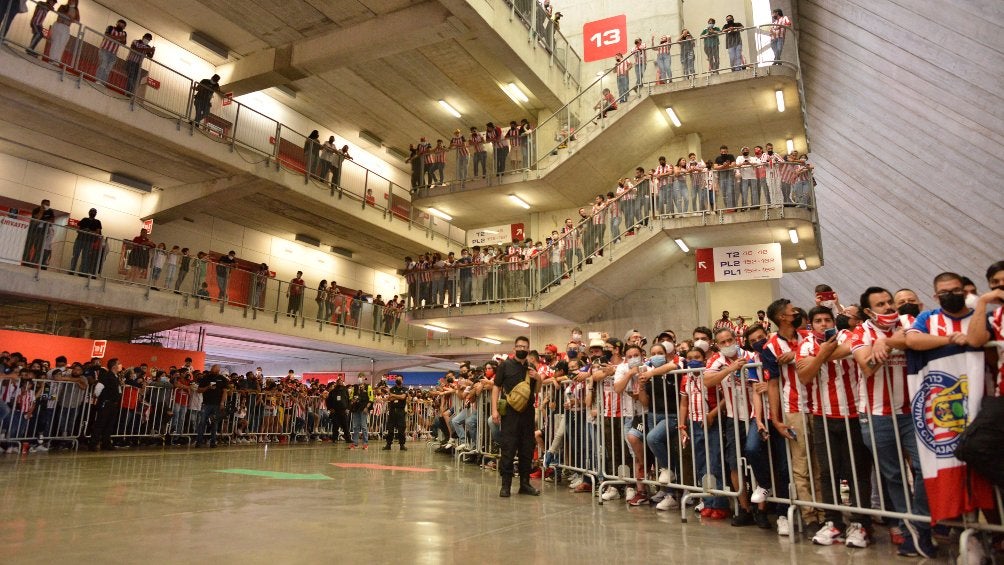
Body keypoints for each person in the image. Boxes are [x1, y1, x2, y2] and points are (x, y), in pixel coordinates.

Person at [492, 336, 542, 497]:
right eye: (519, 346)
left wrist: (538, 378)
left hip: (527, 413)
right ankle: (505, 485)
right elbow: (496, 388)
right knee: (508, 448)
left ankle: (525, 484)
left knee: (526, 449)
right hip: (510, 413)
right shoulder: (505, 366)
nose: (522, 349)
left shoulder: (531, 367)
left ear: (528, 349)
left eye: (525, 346)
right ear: (514, 349)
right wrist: (494, 410)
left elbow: (536, 391)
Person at [88, 358, 123, 451]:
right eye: (118, 363)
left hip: (113, 404)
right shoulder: (107, 376)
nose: (120, 365)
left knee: (110, 424)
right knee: (100, 423)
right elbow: (99, 387)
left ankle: (106, 443)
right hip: (106, 403)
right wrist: (97, 395)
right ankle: (93, 443)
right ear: (114, 366)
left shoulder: (116, 377)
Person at [195, 365, 228, 448]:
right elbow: (199, 390)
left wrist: (222, 403)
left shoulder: (223, 379)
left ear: (218, 370)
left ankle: (213, 441)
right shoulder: (206, 378)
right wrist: (208, 387)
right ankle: (199, 441)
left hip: (217, 404)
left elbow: (225, 392)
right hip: (206, 403)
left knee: (215, 423)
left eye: (215, 370)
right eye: (212, 369)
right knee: (202, 422)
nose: (213, 371)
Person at [45, 0, 79, 67]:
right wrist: (67, 15)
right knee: (55, 42)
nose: (71, 1)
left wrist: (72, 19)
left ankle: (57, 61)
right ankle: (52, 59)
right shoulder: (63, 7)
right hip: (59, 24)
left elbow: (77, 20)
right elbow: (59, 13)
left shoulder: (76, 11)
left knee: (62, 44)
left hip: (66, 28)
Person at [22, 199, 55, 267]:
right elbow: (36, 220)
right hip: (33, 231)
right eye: (46, 204)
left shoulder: (50, 211)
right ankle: (25, 262)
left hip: (42, 233)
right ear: (42, 204)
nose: (47, 206)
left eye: (48, 204)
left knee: (38, 249)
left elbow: (52, 221)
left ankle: (33, 263)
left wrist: (46, 220)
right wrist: (41, 211)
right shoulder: (36, 210)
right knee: (28, 246)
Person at [96, 20, 127, 84]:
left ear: (124, 27)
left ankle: (103, 82)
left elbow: (124, 43)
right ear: (116, 23)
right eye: (119, 24)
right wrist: (119, 38)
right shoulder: (110, 28)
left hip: (114, 53)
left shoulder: (124, 33)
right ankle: (98, 80)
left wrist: (116, 38)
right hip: (104, 49)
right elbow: (107, 35)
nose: (120, 26)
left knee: (109, 68)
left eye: (122, 25)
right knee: (103, 64)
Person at [384, 376, 408, 450]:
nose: (398, 380)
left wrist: (393, 395)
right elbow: (390, 398)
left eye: (400, 379)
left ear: (402, 381)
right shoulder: (392, 389)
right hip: (392, 410)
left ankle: (402, 445)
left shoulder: (405, 389)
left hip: (400, 411)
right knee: (390, 428)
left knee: (401, 428)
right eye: (397, 379)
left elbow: (403, 397)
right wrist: (398, 397)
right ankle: (388, 445)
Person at [349, 382, 371, 449]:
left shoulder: (368, 387)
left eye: (361, 377)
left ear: (364, 379)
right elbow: (351, 398)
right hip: (355, 409)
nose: (360, 379)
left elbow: (371, 399)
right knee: (355, 426)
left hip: (363, 409)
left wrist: (367, 408)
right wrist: (353, 400)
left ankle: (365, 443)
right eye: (359, 377)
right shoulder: (354, 387)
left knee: (364, 426)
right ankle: (355, 443)